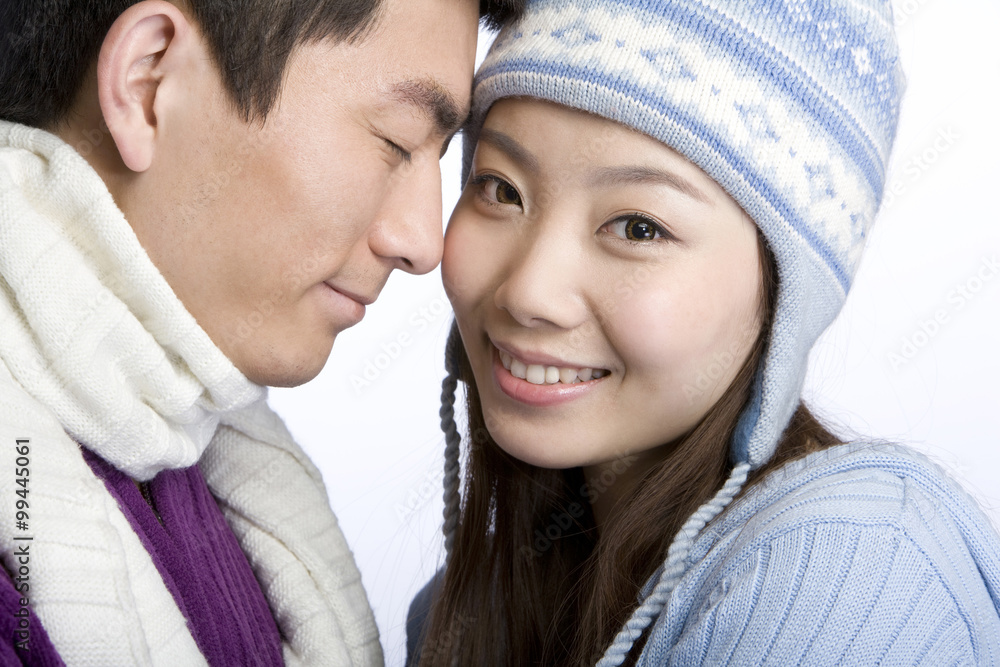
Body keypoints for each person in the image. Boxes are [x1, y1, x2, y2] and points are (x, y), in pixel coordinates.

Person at [406, 0, 1000, 664]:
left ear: (784, 290)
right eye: (500, 188)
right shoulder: (471, 613)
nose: (528, 292)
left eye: (638, 227)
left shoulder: (856, 576)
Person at [0, 0, 525, 664]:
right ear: (147, 82)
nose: (424, 242)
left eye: (442, 157)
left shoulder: (191, 444)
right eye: (396, 140)